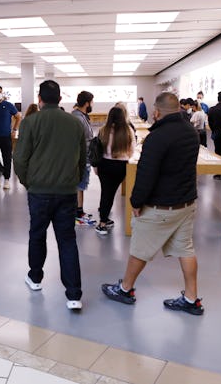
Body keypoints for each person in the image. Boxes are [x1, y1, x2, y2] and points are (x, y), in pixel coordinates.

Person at [101, 92, 203, 315]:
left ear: (156, 112)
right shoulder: (191, 132)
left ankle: (125, 289)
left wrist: (136, 201)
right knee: (186, 249)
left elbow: (146, 174)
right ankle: (191, 298)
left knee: (140, 248)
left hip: (161, 205)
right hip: (186, 203)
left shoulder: (157, 137)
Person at [14, 80, 85, 311]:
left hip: (39, 192)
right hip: (66, 191)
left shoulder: (30, 122)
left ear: (39, 99)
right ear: (60, 99)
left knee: (37, 235)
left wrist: (28, 182)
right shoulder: (74, 124)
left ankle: (35, 278)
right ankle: (74, 294)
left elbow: (20, 158)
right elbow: (82, 158)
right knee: (67, 240)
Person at [94, 106, 136, 235]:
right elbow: (131, 152)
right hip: (120, 166)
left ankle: (103, 221)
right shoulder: (128, 131)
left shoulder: (103, 130)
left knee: (106, 192)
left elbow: (97, 150)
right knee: (110, 193)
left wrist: (96, 167)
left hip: (104, 165)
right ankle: (103, 220)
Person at [71, 90, 96, 226]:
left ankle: (79, 210)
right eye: (91, 102)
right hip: (80, 158)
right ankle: (77, 213)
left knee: (81, 185)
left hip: (84, 157)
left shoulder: (81, 116)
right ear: (87, 103)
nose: (92, 104)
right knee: (79, 185)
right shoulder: (78, 118)